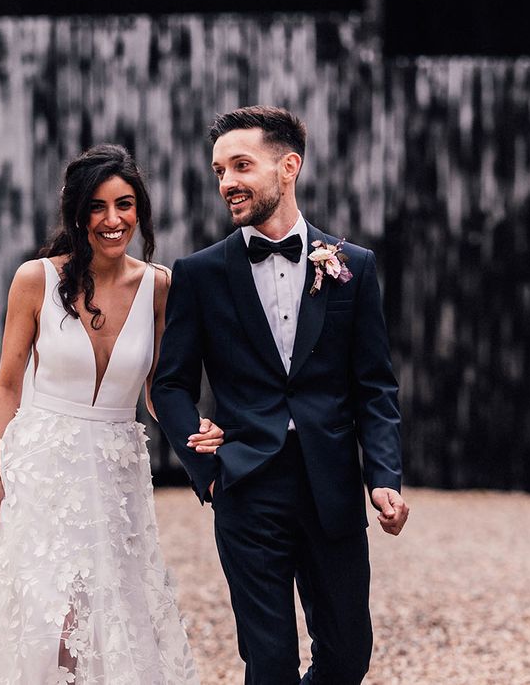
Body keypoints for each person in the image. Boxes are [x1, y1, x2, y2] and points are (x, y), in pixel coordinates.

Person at [0, 144, 222, 684]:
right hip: (42, 467)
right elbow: (6, 386)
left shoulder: (159, 286)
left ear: (139, 210)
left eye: (124, 204)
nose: (113, 219)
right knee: (47, 612)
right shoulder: (36, 280)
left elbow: (157, 391)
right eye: (97, 207)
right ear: (77, 214)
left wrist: (198, 426)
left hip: (116, 470)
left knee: (111, 609)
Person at [151, 106, 409, 684]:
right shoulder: (200, 273)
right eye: (219, 170)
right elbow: (169, 384)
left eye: (241, 165)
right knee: (268, 663)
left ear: (288, 166)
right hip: (245, 482)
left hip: (333, 484)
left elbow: (375, 386)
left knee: (347, 656)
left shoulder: (353, 267)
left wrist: (384, 478)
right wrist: (204, 465)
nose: (227, 183)